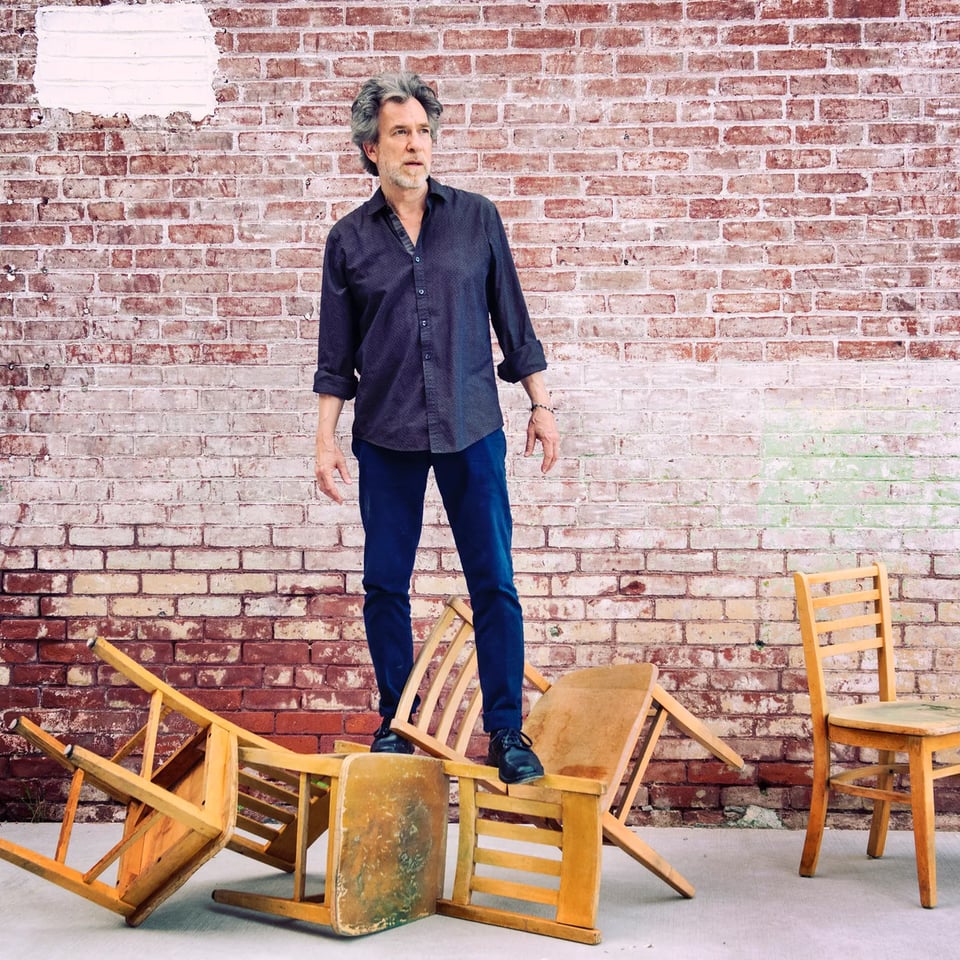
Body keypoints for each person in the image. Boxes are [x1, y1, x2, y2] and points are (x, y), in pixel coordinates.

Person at [312, 71, 559, 785]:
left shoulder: (477, 219)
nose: (415, 144)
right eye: (400, 133)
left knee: (495, 581)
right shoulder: (347, 240)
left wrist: (542, 405)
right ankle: (397, 721)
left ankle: (506, 732)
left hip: (472, 424)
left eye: (423, 131)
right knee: (385, 583)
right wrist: (325, 441)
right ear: (371, 148)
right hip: (385, 433)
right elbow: (335, 357)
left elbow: (513, 320)